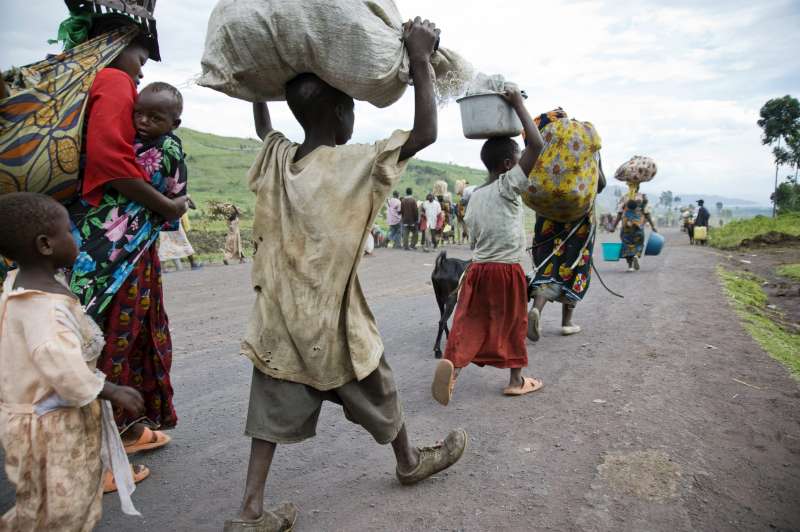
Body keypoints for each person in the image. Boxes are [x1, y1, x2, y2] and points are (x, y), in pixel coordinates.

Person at [227, 18, 466, 532]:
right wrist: (420, 59)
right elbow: (425, 132)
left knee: (269, 408)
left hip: (280, 318)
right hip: (333, 317)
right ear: (340, 112)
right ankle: (407, 462)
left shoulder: (278, 159)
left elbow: (263, 128)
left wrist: (257, 85)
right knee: (376, 382)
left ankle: (250, 510)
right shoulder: (357, 163)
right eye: (351, 107)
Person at [66, 17, 186, 477]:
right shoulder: (113, 79)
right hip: (111, 251)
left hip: (125, 245)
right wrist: (169, 207)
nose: (139, 72)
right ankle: (92, 461)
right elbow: (111, 164)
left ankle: (129, 427)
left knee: (130, 333)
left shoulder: (104, 84)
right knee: (108, 339)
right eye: (140, 56)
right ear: (117, 45)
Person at [0, 193, 148, 531]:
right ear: (45, 245)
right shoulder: (45, 310)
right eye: (69, 230)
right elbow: (63, 367)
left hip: (27, 418)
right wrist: (111, 390)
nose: (77, 235)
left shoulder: (17, 286)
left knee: (39, 503)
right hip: (52, 428)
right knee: (67, 509)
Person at [431, 85, 545, 406]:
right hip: (505, 270)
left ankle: (451, 370)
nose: (525, 160)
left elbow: (475, 237)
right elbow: (537, 143)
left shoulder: (473, 197)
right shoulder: (509, 186)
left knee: (468, 321)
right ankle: (515, 380)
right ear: (509, 165)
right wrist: (518, 104)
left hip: (477, 269)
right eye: (519, 158)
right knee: (513, 323)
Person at [527, 110, 605, 340]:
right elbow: (600, 183)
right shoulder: (589, 145)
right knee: (575, 265)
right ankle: (567, 322)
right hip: (579, 220)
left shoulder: (547, 145)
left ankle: (536, 309)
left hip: (547, 218)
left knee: (548, 265)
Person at [611, 191, 657, 272]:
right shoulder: (642, 198)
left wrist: (614, 227)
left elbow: (619, 214)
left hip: (626, 228)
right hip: (638, 227)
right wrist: (653, 226)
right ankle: (636, 255)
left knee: (626, 245)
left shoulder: (625, 197)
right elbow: (647, 214)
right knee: (638, 243)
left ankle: (630, 266)